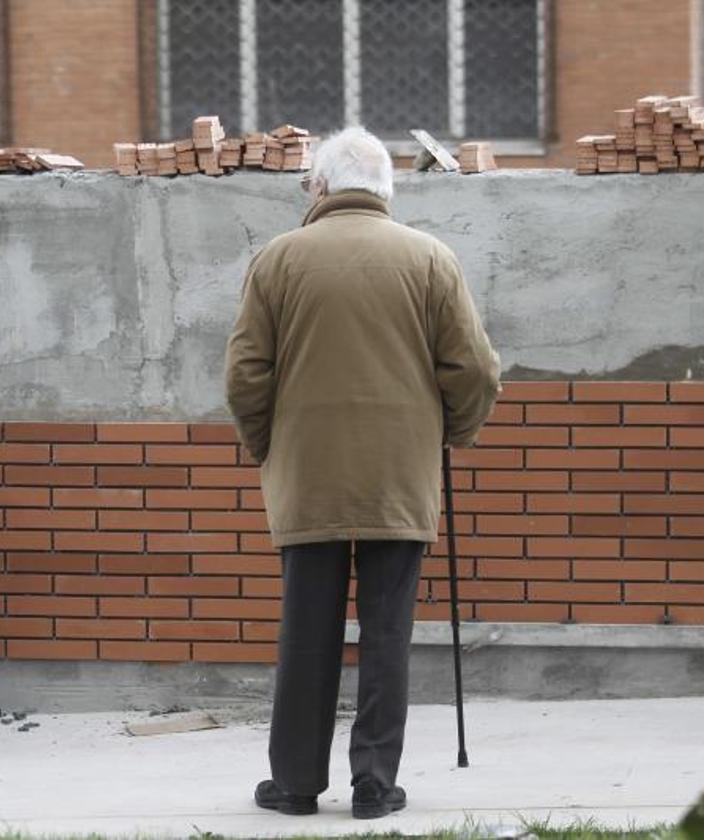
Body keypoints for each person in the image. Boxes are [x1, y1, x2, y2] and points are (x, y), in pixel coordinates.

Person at [224, 127, 500, 819]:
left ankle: (294, 785)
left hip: (308, 475)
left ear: (319, 186)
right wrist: (451, 434)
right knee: (386, 633)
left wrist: (267, 448)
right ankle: (375, 783)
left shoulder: (277, 260)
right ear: (386, 189)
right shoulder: (430, 259)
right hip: (399, 476)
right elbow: (476, 371)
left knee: (305, 630)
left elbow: (245, 377)